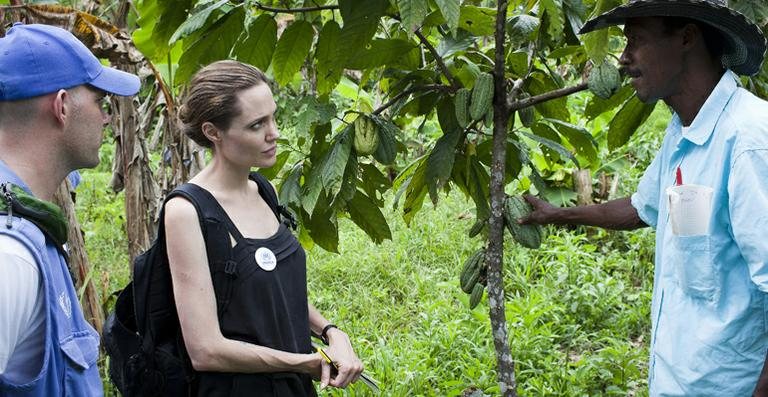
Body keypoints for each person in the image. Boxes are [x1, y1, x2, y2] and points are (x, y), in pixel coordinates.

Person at [520, 0, 768, 395]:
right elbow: (641, 207)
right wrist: (556, 215)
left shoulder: (749, 142)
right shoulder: (683, 131)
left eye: (635, 40)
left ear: (686, 38)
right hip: (677, 380)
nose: (623, 58)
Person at [165, 60, 363, 396]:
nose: (275, 133)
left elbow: (274, 294)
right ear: (213, 132)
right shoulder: (187, 212)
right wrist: (302, 362)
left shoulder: (262, 189)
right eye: (257, 125)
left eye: (273, 117)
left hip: (292, 384)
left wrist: (331, 332)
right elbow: (205, 350)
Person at [0, 23, 140, 396]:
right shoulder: (11, 255)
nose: (107, 117)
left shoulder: (30, 226)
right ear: (62, 106)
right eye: (99, 101)